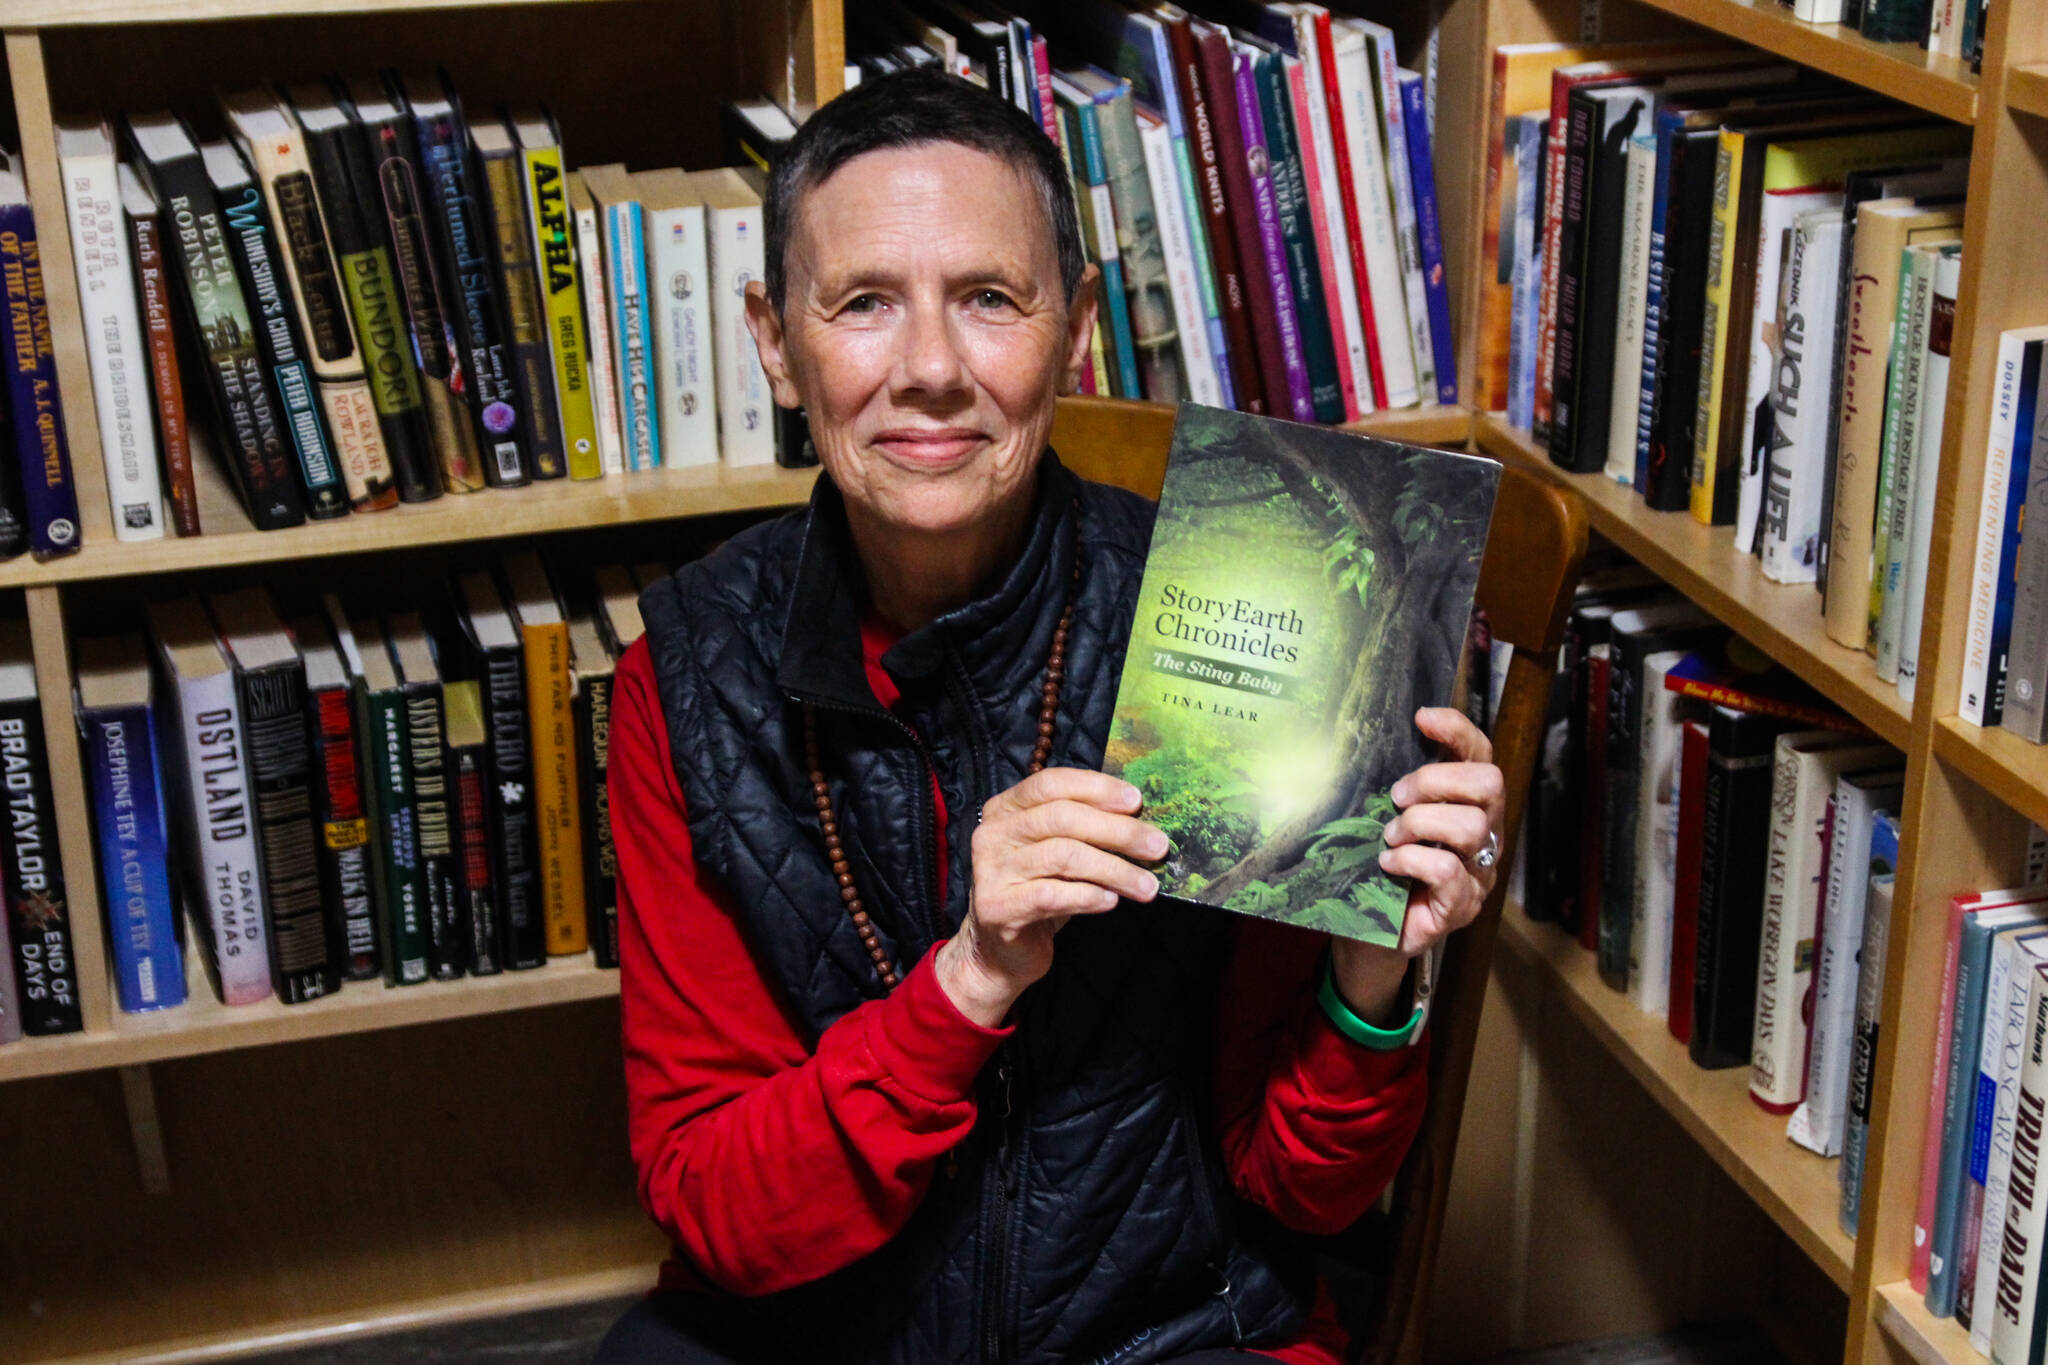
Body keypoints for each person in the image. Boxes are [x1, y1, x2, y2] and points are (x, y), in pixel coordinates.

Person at [598, 67, 1504, 1365]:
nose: (929, 370)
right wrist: (971, 977)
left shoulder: (1237, 607)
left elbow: (1302, 1191)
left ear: (1076, 327)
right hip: (820, 1328)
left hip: (1166, 1331)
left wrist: (1371, 961)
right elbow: (719, 1206)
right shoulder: (687, 678)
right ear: (775, 342)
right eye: (862, 303)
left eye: (989, 299)